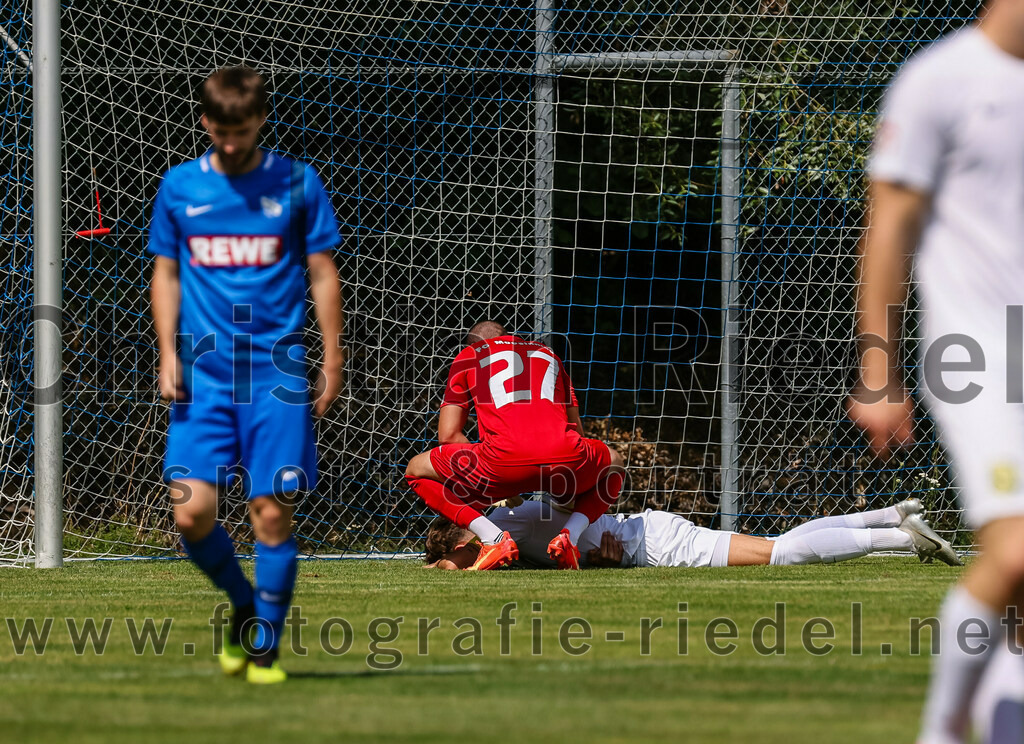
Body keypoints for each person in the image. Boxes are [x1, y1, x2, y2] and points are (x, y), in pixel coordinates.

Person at [846, 6, 1024, 742]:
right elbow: (888, 227)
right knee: (1016, 550)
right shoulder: (939, 81)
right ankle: (942, 731)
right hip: (979, 356)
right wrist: (877, 372)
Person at [148, 66, 343, 684]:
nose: (232, 142)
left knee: (272, 513)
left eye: (244, 129)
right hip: (203, 376)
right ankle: (243, 604)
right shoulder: (180, 187)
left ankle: (263, 647)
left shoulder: (296, 183)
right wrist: (167, 352)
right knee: (190, 512)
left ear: (260, 121)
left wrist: (333, 358)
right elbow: (167, 274)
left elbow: (321, 273)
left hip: (278, 378)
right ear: (205, 122)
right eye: (222, 130)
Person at [405, 320, 625, 570]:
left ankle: (493, 538)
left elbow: (448, 436)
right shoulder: (548, 354)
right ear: (509, 337)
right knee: (615, 462)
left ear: (472, 344)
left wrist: (498, 485)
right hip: (564, 468)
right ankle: (569, 537)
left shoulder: (469, 355)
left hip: (500, 465)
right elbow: (577, 432)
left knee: (415, 469)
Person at [423, 497, 961, 570]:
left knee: (779, 555)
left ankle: (904, 538)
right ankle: (891, 516)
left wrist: (451, 566)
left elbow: (573, 508)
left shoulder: (505, 525)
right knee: (777, 545)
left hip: (652, 543)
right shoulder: (507, 516)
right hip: (644, 537)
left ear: (465, 539)